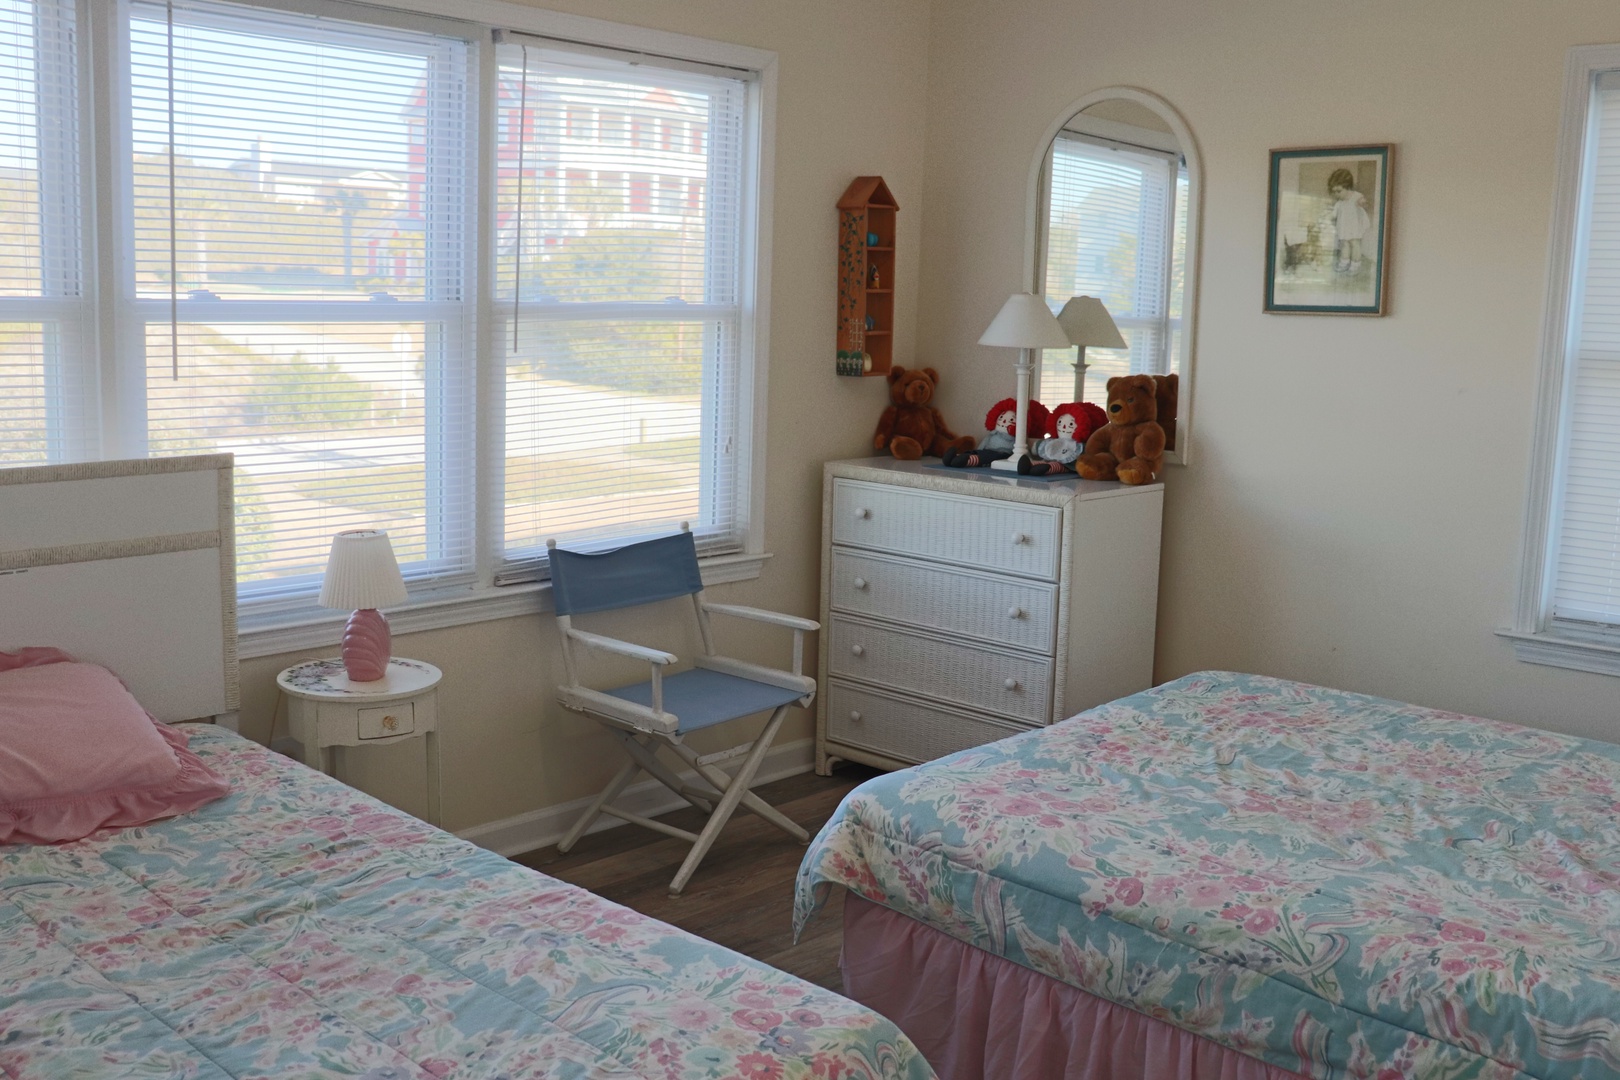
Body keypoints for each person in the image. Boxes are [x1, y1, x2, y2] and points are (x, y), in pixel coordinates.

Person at [1328, 167, 1371, 275]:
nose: (1336, 194)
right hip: (1343, 227)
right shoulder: (1339, 203)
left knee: (1355, 243)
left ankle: (1355, 264)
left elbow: (1364, 204)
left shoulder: (1356, 197)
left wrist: (1363, 203)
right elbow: (1333, 215)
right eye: (1334, 192)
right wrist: (1330, 218)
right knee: (1344, 244)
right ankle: (1344, 262)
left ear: (1347, 187)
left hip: (1354, 226)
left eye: (1339, 191)